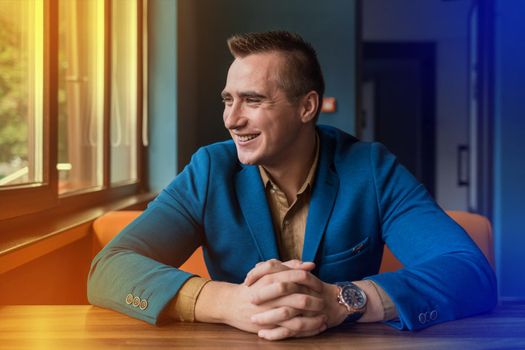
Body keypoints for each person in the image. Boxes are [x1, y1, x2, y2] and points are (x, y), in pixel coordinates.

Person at [88, 31, 496, 341]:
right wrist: (228, 302)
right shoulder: (209, 169)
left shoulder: (371, 169)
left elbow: (470, 273)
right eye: (228, 100)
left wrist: (342, 302)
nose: (232, 119)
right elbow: (110, 269)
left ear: (307, 107)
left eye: (252, 100)